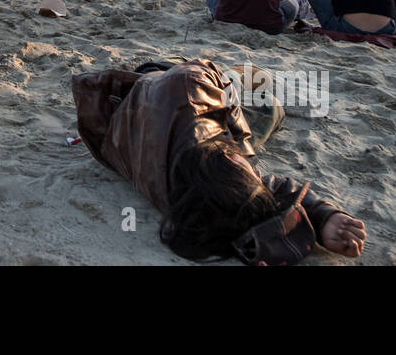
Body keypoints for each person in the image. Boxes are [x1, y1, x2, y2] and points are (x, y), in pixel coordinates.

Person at [72, 59, 366, 264]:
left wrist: (320, 216)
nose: (252, 170)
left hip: (159, 73)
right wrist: (321, 215)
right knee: (270, 107)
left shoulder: (191, 87)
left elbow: (256, 187)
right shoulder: (184, 196)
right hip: (153, 96)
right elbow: (256, 190)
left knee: (251, 91)